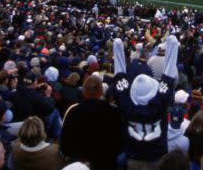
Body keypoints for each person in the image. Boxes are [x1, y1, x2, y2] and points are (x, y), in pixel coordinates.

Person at [112, 35, 180, 169]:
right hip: (156, 158)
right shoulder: (159, 103)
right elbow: (168, 79)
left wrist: (118, 47)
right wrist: (172, 46)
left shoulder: (127, 105)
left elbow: (119, 78)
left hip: (133, 157)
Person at [60, 75, 123, 169]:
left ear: (83, 92)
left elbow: (65, 146)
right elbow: (119, 144)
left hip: (79, 164)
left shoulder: (72, 112)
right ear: (101, 92)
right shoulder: (114, 112)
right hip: (106, 163)